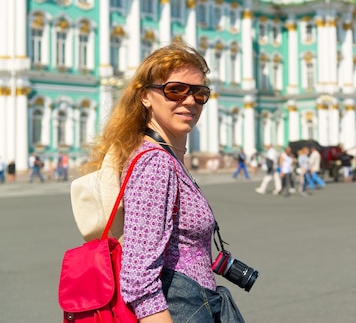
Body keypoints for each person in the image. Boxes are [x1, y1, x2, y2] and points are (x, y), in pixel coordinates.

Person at [82, 42, 244, 322]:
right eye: (175, 90)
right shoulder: (154, 163)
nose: (189, 101)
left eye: (199, 93)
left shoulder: (165, 158)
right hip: (181, 310)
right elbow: (139, 280)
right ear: (146, 96)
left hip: (197, 304)